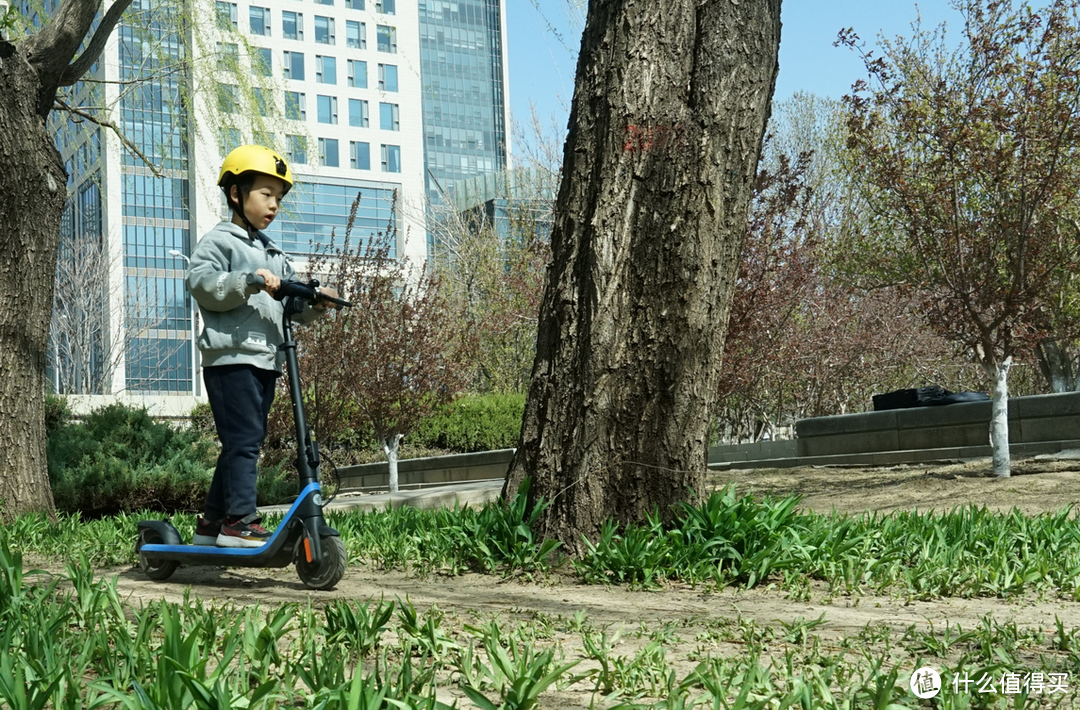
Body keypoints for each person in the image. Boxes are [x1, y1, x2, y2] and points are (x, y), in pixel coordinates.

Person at [186, 145, 338, 548]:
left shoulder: (273, 252)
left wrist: (315, 302)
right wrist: (248, 280)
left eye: (279, 199)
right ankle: (239, 523)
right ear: (237, 194)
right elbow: (202, 284)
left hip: (265, 359)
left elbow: (290, 307)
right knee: (245, 440)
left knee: (241, 441)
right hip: (230, 357)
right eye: (266, 195)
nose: (274, 205)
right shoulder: (219, 242)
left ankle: (211, 524)